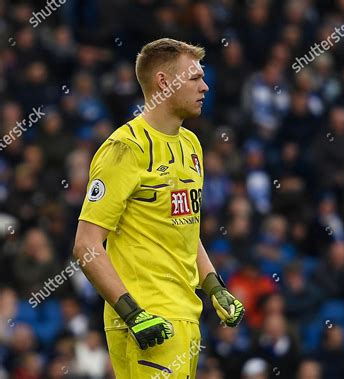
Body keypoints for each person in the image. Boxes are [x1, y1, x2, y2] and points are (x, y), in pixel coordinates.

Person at [73, 38, 244, 378]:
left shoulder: (191, 144)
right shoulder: (126, 148)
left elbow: (184, 228)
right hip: (150, 318)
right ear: (164, 82)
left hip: (185, 315)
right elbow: (86, 245)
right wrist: (133, 313)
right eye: (194, 78)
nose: (205, 86)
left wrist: (214, 287)